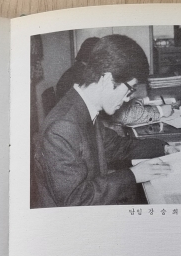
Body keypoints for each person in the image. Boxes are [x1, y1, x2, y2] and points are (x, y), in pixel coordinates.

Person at [33, 35, 170, 207]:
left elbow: (117, 147)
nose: (128, 98)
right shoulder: (62, 127)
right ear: (106, 79)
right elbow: (76, 200)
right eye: (129, 89)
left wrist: (165, 148)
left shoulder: (84, 108)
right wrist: (133, 175)